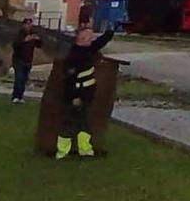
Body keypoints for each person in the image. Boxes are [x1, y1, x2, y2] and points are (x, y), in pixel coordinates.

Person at [55, 15, 115, 160]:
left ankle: (85, 150)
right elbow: (69, 79)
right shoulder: (74, 56)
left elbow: (99, 43)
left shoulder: (87, 49)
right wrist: (74, 96)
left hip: (86, 95)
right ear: (81, 40)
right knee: (69, 124)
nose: (91, 39)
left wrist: (110, 32)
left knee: (84, 124)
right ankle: (62, 152)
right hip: (76, 96)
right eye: (88, 37)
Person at [9, 19, 41, 104]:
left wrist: (38, 39)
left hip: (28, 60)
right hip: (18, 60)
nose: (28, 26)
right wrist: (25, 41)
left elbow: (39, 45)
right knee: (18, 78)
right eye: (27, 24)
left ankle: (20, 96)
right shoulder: (19, 34)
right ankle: (15, 96)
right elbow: (15, 45)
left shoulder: (33, 34)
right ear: (23, 25)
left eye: (30, 24)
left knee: (24, 80)